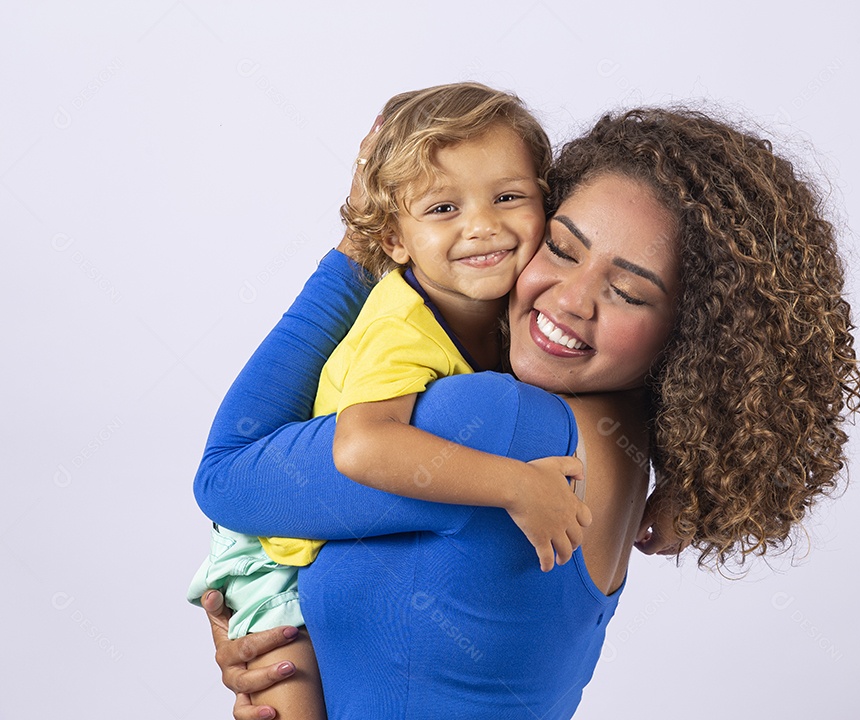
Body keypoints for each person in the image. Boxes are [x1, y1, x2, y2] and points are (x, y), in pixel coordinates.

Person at [194, 106, 860, 720]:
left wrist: (358, 249)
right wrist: (283, 637)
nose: (570, 300)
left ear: (691, 336)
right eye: (564, 248)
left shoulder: (499, 425)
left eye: (628, 291)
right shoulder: (628, 452)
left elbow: (227, 474)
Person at [187, 82, 590, 720]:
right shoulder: (402, 325)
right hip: (269, 549)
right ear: (394, 242)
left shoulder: (512, 318)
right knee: (286, 693)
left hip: (327, 526)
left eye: (508, 197)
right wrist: (516, 484)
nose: (482, 224)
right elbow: (361, 445)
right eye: (441, 209)